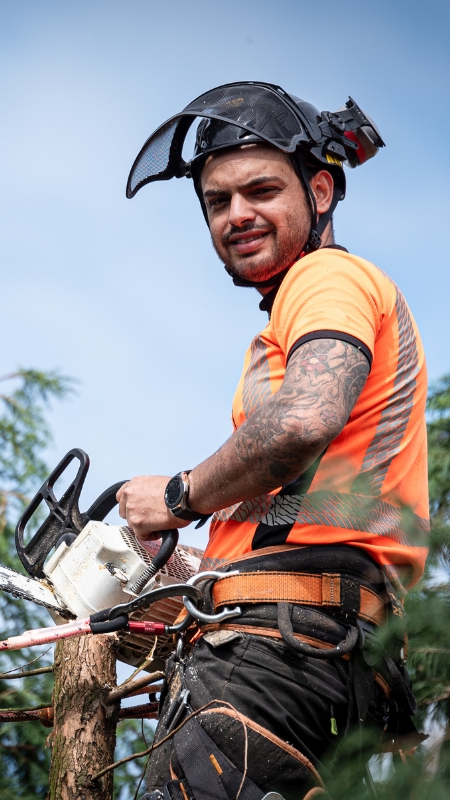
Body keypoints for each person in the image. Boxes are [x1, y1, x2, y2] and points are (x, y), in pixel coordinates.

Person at [117, 82, 429, 800]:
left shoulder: (327, 276)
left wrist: (177, 496)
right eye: (217, 202)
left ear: (320, 190)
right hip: (318, 654)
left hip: (281, 659)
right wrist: (190, 576)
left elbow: (301, 420)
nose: (237, 215)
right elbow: (305, 512)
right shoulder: (299, 303)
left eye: (260, 190)